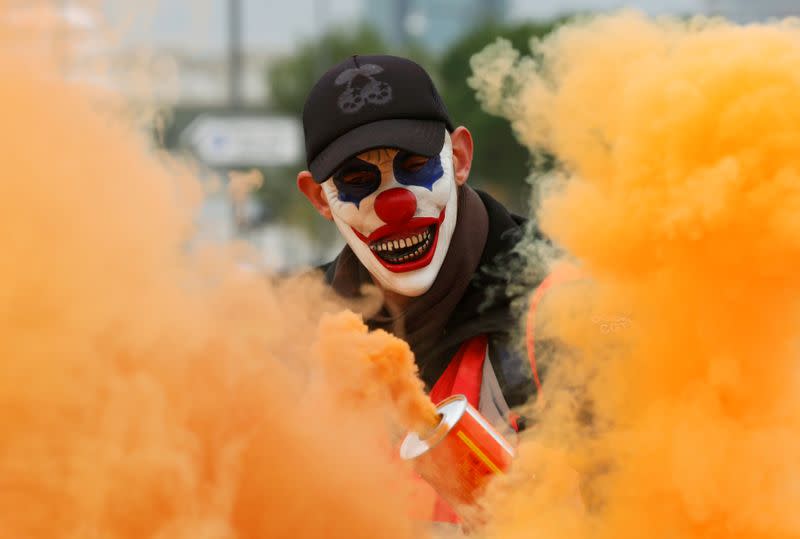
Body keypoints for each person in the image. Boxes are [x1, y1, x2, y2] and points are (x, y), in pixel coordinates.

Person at [297, 53, 539, 455]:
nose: (397, 205)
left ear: (459, 159)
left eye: (415, 165)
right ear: (320, 197)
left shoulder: (556, 309)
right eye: (358, 180)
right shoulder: (301, 328)